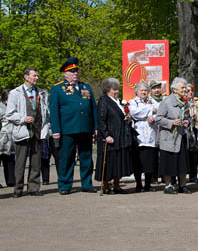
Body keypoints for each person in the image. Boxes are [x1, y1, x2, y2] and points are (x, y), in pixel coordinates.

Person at [49, 58, 98, 195]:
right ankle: (64, 184)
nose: (75, 73)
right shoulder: (58, 88)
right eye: (71, 71)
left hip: (85, 128)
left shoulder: (85, 87)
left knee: (86, 157)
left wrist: (95, 126)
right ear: (65, 74)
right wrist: (56, 130)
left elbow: (93, 108)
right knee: (67, 158)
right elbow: (54, 111)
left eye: (76, 71)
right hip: (67, 129)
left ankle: (87, 183)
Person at [6, 68, 50, 197]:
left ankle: (34, 187)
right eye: (34, 76)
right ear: (26, 77)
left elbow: (46, 112)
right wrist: (22, 118)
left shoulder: (42, 93)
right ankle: (18, 188)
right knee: (20, 162)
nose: (36, 78)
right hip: (23, 130)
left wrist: (45, 127)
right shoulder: (15, 93)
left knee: (36, 161)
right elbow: (10, 114)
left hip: (37, 130)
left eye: (37, 76)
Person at [94, 78, 133, 194]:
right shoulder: (104, 101)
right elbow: (101, 120)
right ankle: (106, 185)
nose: (117, 92)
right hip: (110, 136)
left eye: (117, 89)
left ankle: (117, 185)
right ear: (107, 90)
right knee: (109, 162)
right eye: (114, 89)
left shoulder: (117, 101)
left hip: (119, 136)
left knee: (118, 162)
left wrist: (126, 117)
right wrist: (106, 135)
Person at [155, 77, 192, 195]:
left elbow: (187, 117)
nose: (185, 90)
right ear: (174, 89)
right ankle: (168, 185)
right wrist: (171, 123)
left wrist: (187, 122)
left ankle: (183, 185)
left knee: (182, 162)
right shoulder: (166, 102)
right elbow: (158, 119)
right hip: (169, 137)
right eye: (182, 87)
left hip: (181, 136)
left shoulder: (185, 102)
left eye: (185, 87)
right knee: (169, 162)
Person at [128, 81, 159, 192]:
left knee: (149, 161)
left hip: (150, 135)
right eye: (141, 90)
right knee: (138, 161)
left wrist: (153, 117)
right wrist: (150, 111)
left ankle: (148, 185)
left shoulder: (152, 101)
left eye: (146, 90)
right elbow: (135, 113)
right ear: (137, 91)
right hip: (138, 136)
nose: (144, 92)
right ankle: (138, 184)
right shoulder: (133, 102)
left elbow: (159, 110)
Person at [185, 84, 198, 184]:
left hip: (195, 131)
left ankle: (193, 175)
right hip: (186, 130)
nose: (190, 93)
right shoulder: (182, 103)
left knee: (195, 153)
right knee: (186, 153)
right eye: (187, 91)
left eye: (191, 91)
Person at [0, 89, 16, 188]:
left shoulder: (13, 107)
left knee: (9, 159)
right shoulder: (1, 108)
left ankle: (11, 180)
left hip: (10, 137)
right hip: (1, 136)